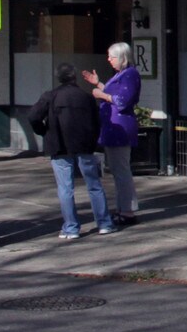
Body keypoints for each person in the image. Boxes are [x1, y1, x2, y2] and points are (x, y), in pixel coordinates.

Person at [27, 63, 115, 240]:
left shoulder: (51, 96)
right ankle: (104, 223)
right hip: (84, 145)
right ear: (74, 77)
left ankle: (71, 227)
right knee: (94, 185)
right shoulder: (86, 97)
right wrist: (92, 140)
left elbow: (33, 116)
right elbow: (97, 122)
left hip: (59, 145)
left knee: (65, 188)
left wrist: (44, 131)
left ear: (58, 78)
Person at [84, 42, 141, 226]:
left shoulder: (130, 74)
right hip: (112, 127)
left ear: (122, 57)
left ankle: (128, 211)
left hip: (120, 128)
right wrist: (98, 84)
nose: (109, 60)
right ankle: (123, 208)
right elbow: (113, 94)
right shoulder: (120, 75)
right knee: (117, 171)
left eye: (112, 57)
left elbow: (122, 101)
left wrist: (100, 94)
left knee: (121, 170)